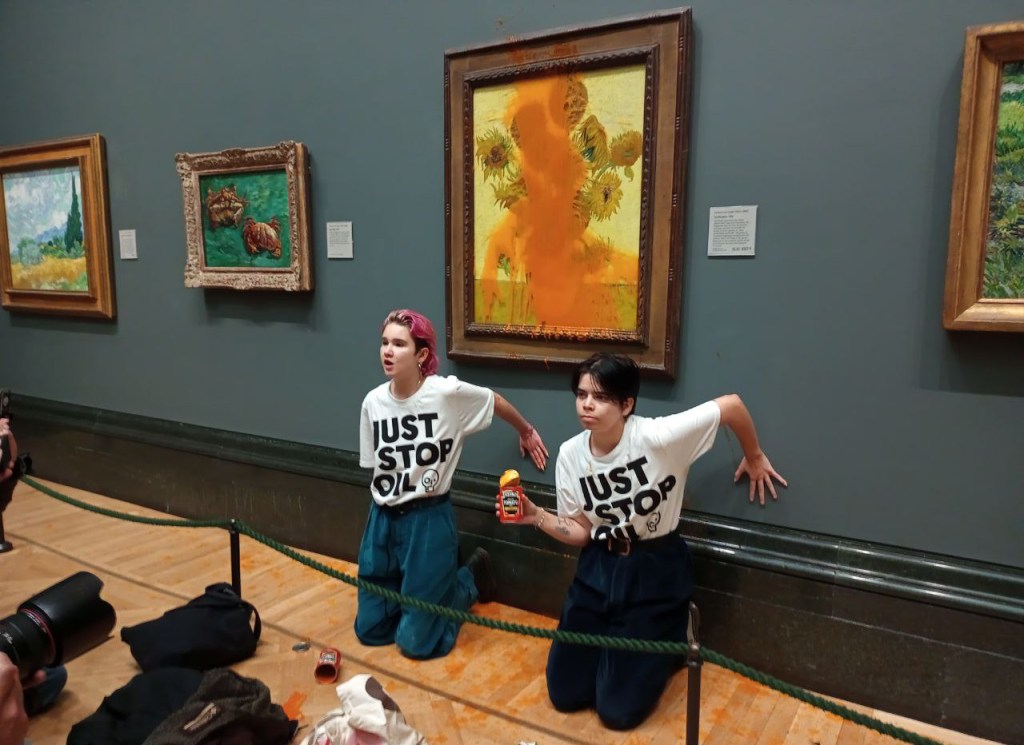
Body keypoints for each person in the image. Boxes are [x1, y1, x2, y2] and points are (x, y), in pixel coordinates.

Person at [498, 352, 786, 730]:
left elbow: (731, 405)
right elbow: (582, 531)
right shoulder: (570, 454)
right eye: (582, 394)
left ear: (626, 404)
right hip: (598, 566)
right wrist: (536, 516)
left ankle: (675, 630)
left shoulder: (657, 437)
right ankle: (615, 647)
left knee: (617, 713)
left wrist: (754, 455)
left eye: (600, 397)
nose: (587, 404)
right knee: (564, 694)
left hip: (654, 566)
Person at [356, 309, 548, 660]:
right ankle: (425, 590)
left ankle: (469, 577)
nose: (388, 351)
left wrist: (526, 430)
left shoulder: (446, 394)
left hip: (428, 517)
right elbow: (376, 469)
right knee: (370, 631)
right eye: (384, 342)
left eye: (399, 344)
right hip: (382, 518)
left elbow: (495, 401)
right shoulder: (373, 402)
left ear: (422, 354)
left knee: (416, 644)